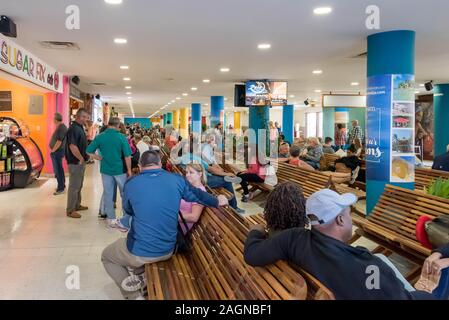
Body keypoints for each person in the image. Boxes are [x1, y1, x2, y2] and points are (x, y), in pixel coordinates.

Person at [244, 189, 435, 300]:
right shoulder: (368, 268)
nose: (350, 219)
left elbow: (252, 254)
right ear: (340, 221)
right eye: (348, 214)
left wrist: (256, 231)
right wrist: (427, 289)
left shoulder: (293, 238)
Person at [102, 150, 228, 299]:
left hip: (141, 250)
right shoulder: (176, 180)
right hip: (168, 249)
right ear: (160, 164)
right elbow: (198, 195)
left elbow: (128, 210)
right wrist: (217, 200)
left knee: (107, 256)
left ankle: (133, 295)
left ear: (140, 166)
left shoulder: (131, 183)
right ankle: (142, 281)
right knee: (136, 253)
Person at [87, 117, 132, 229]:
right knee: (124, 193)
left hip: (105, 170)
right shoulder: (121, 137)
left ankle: (111, 219)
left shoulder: (100, 137)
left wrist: (100, 158)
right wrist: (129, 170)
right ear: (117, 126)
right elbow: (127, 156)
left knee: (108, 194)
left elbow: (88, 151)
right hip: (119, 170)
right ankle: (125, 217)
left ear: (108, 124)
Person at [65, 108, 90, 219]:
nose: (85, 119)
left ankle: (77, 205)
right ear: (77, 116)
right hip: (75, 162)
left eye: (86, 117)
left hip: (80, 161)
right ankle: (70, 210)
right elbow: (72, 146)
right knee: (74, 186)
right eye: (83, 116)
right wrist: (80, 158)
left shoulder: (80, 127)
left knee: (79, 185)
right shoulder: (73, 129)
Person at [179, 163, 207, 233]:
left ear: (200, 174)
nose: (187, 175)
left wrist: (172, 217)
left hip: (178, 228)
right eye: (187, 172)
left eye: (191, 172)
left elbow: (194, 217)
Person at [49, 112, 68, 196]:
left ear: (56, 119)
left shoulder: (61, 128)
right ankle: (61, 185)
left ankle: (61, 188)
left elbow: (59, 141)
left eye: (53, 118)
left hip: (57, 152)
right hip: (57, 151)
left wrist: (53, 150)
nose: (52, 120)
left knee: (58, 170)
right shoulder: (61, 127)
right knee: (59, 169)